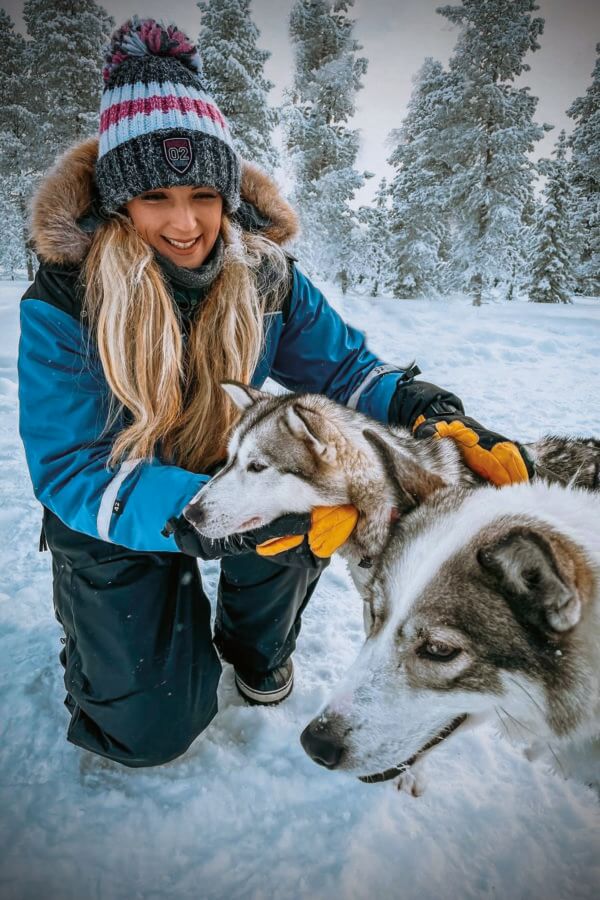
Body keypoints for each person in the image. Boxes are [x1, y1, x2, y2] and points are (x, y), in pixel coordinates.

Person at [18, 17, 532, 768]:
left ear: (228, 196)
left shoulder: (264, 275)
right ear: (120, 202)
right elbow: (71, 466)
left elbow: (346, 373)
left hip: (229, 472)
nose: (185, 222)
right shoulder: (67, 298)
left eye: (203, 194)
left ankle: (253, 645)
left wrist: (427, 410)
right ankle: (111, 647)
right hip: (113, 503)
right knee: (148, 734)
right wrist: (196, 521)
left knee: (313, 490)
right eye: (156, 196)